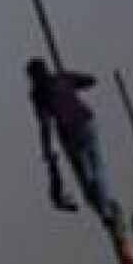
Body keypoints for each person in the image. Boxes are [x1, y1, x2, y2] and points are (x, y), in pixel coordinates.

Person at [26, 58, 121, 225]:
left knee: (86, 175)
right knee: (97, 168)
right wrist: (71, 84)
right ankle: (105, 207)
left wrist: (47, 149)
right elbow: (90, 80)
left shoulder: (38, 93)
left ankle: (103, 209)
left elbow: (44, 123)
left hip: (69, 131)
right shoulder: (61, 78)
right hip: (85, 121)